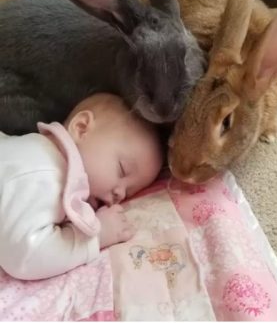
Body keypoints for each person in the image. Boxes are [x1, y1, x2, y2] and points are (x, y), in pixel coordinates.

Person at [0, 93, 163, 280]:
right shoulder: (43, 173)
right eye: (122, 170)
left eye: (129, 192)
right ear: (81, 128)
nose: (120, 194)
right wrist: (95, 237)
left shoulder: (34, 153)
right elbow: (25, 257)